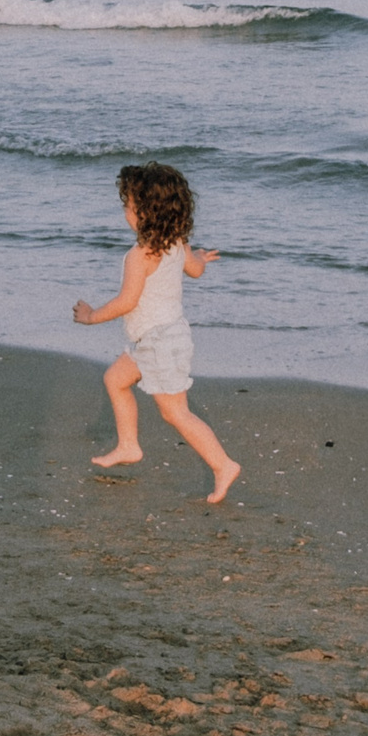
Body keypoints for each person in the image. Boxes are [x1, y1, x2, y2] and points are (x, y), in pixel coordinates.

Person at [72, 162, 242, 503]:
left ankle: (223, 465)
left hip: (159, 343)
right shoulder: (177, 242)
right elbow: (194, 270)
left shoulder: (139, 256)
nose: (125, 213)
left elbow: (126, 302)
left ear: (146, 213)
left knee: (175, 413)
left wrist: (91, 316)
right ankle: (129, 445)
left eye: (128, 206)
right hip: (155, 339)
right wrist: (200, 258)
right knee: (115, 380)